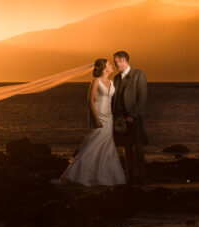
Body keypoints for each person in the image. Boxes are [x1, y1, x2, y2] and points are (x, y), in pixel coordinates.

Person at [57, 58, 127, 186]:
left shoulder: (112, 82)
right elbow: (90, 102)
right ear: (104, 68)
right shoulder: (96, 82)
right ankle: (78, 175)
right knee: (92, 145)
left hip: (109, 117)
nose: (112, 65)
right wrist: (96, 119)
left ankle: (104, 176)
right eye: (109, 64)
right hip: (98, 116)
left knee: (106, 147)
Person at [112, 50, 148, 184]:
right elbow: (114, 100)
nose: (115, 65)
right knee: (126, 151)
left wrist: (132, 115)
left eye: (116, 62)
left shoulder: (139, 75)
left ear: (123, 60)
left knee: (138, 149)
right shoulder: (116, 78)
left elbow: (142, 98)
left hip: (135, 119)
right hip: (120, 120)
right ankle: (130, 177)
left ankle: (141, 178)